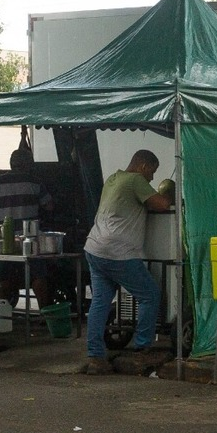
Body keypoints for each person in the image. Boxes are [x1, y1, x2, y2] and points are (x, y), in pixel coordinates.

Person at [82, 149, 173, 375]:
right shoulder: (135, 180)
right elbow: (162, 204)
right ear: (143, 167)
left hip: (94, 248)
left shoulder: (113, 179)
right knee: (149, 294)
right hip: (117, 251)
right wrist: (170, 192)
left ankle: (95, 357)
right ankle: (142, 347)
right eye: (152, 171)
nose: (152, 177)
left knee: (100, 301)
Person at [0, 146, 55, 307]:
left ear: (11, 164)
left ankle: (1, 313)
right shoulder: (34, 182)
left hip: (3, 240)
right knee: (38, 277)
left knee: (3, 279)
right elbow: (49, 206)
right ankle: (45, 313)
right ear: (29, 164)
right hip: (29, 240)